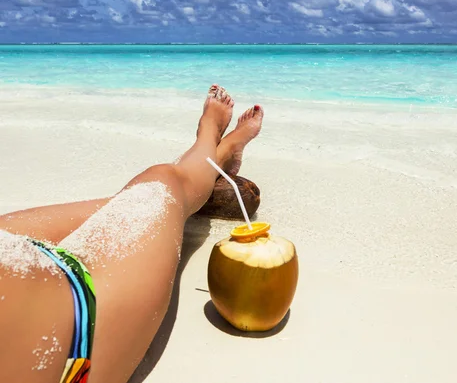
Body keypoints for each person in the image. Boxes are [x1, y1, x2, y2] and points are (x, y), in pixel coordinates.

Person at [0, 85, 263, 383]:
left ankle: (207, 163)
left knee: (143, 199)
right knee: (163, 185)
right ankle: (213, 150)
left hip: (16, 253)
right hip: (78, 329)